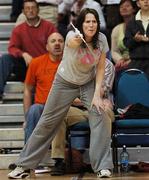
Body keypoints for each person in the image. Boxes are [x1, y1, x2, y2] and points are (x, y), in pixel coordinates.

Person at [8, 8, 113, 179]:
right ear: (81, 24)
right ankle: (24, 166)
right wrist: (79, 40)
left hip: (87, 83)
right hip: (64, 83)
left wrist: (97, 94)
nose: (91, 24)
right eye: (87, 21)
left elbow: (101, 67)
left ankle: (102, 167)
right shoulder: (72, 36)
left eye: (94, 21)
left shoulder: (101, 39)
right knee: (47, 122)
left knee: (100, 113)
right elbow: (72, 44)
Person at [0, 0, 57, 102]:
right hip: (26, 67)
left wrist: (40, 62)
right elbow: (12, 48)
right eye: (27, 8)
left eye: (33, 8)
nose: (30, 11)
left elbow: (56, 47)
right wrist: (23, 54)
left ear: (38, 10)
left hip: (44, 67)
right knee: (5, 58)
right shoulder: (19, 29)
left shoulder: (49, 27)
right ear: (23, 11)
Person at [123, 0, 149, 76]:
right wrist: (135, 39)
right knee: (137, 86)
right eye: (143, 0)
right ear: (138, 3)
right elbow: (126, 43)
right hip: (136, 62)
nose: (146, 1)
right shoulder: (131, 22)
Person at [111, 0, 137, 72]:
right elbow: (114, 51)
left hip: (138, 61)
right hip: (121, 63)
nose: (124, 8)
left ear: (134, 9)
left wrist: (130, 62)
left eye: (127, 6)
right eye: (121, 7)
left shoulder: (140, 26)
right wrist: (120, 60)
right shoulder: (116, 29)